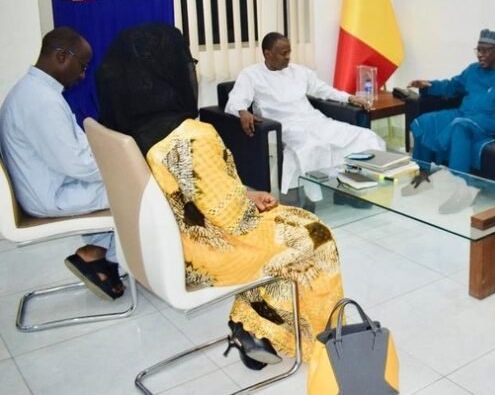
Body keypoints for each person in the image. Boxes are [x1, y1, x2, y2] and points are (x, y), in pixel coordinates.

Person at [96, 23, 344, 369]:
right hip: (206, 252)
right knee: (315, 235)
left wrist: (245, 193)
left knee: (291, 223)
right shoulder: (192, 136)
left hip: (160, 245)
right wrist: (249, 202)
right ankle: (311, 342)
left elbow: (184, 191)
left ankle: (257, 325)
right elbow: (234, 221)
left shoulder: (124, 128)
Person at [0, 27, 122, 300]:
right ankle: (121, 261)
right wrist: (122, 169)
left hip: (49, 185)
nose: (83, 75)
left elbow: (75, 150)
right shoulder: (40, 101)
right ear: (62, 56)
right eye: (83, 66)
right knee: (142, 191)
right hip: (52, 195)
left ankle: (95, 254)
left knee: (127, 184)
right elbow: (78, 165)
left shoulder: (34, 91)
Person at [225, 32, 385, 196]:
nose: (288, 57)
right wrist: (242, 112)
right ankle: (316, 198)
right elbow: (235, 101)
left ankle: (359, 187)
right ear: (268, 54)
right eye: (283, 53)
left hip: (314, 120)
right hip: (285, 126)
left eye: (289, 52)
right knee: (312, 147)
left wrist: (349, 97)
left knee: (365, 136)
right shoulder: (251, 74)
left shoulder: (299, 71)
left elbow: (322, 90)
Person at [407, 29, 495, 175]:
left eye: (485, 51)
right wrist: (429, 85)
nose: (480, 55)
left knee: (460, 126)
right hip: (464, 114)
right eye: (478, 50)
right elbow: (452, 86)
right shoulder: (472, 70)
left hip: (494, 121)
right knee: (424, 122)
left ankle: (459, 183)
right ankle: (421, 174)